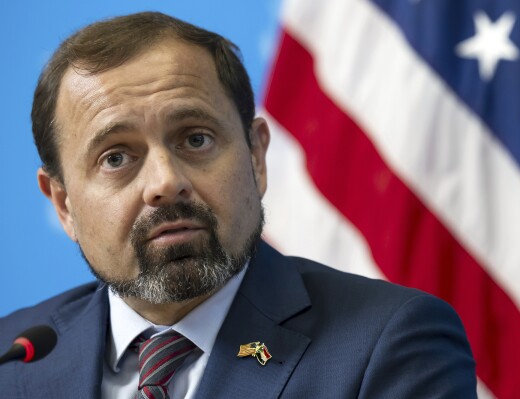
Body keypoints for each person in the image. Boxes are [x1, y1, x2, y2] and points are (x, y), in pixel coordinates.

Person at [0, 12, 476, 398]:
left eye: (197, 138)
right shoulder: (12, 356)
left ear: (256, 156)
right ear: (63, 204)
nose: (166, 183)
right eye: (117, 157)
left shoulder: (391, 345)